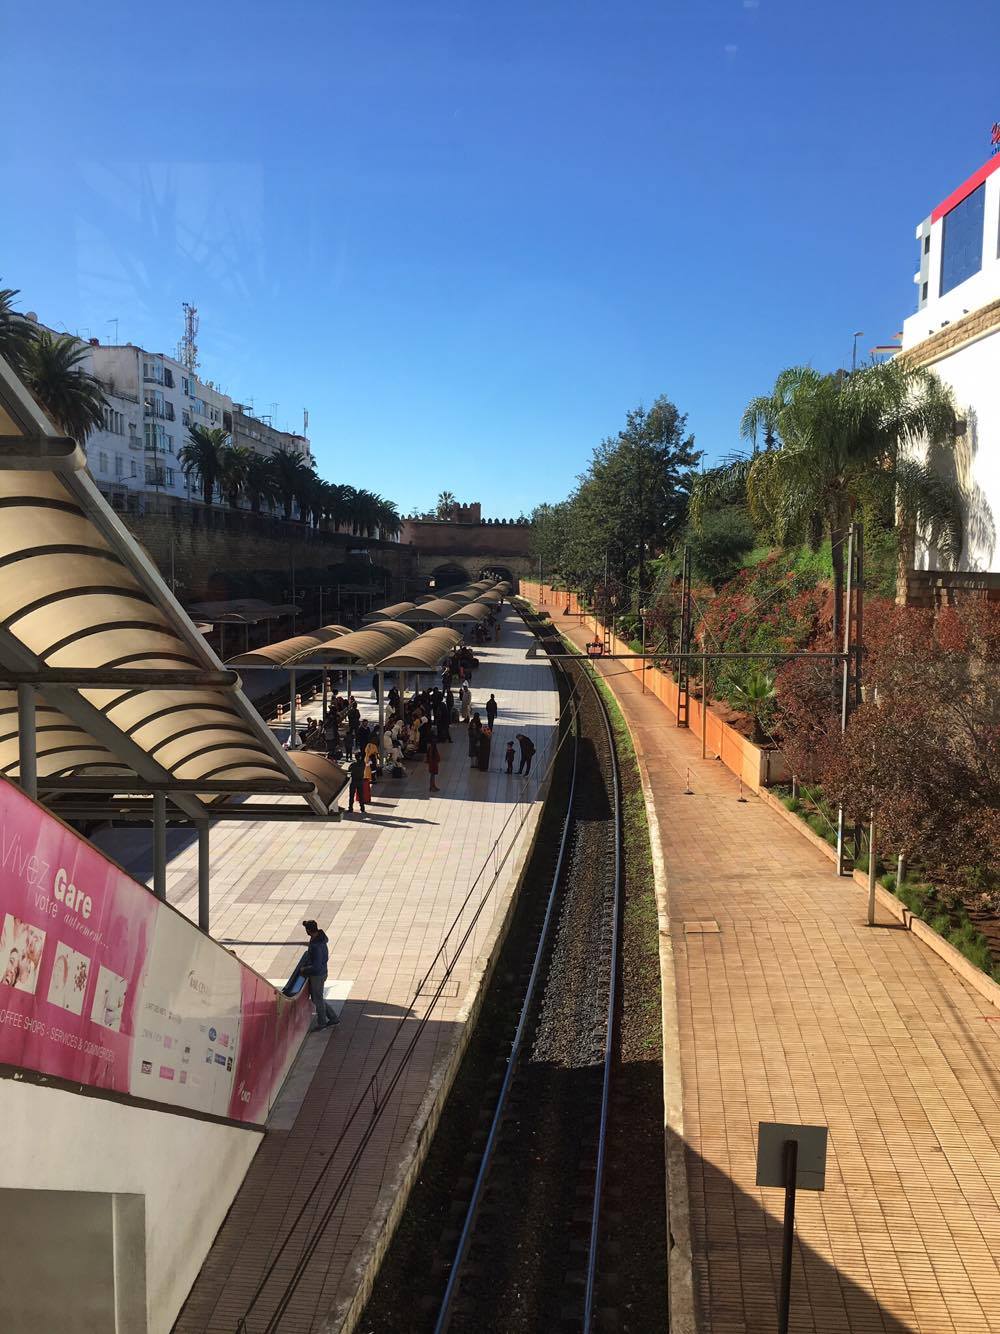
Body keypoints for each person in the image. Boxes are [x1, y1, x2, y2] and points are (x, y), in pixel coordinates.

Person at [298, 920, 339, 1030]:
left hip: (317, 975)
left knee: (317, 999)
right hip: (322, 972)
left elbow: (316, 966)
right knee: (318, 998)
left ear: (308, 930)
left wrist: (304, 969)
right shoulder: (318, 938)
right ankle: (333, 1018)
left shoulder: (316, 945)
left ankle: (322, 1023)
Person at [347, 751, 366, 815]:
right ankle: (362, 809)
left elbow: (348, 772)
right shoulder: (363, 764)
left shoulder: (353, 765)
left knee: (351, 795)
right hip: (360, 781)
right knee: (361, 796)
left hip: (353, 781)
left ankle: (350, 809)